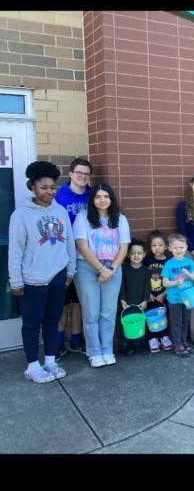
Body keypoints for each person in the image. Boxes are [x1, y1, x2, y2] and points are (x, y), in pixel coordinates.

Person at [8, 160, 76, 383]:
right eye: (43, 187)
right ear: (33, 187)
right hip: (33, 278)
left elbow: (69, 243)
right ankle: (32, 366)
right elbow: (15, 250)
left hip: (58, 275)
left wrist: (70, 271)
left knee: (52, 320)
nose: (49, 191)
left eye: (52, 187)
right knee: (31, 323)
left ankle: (50, 361)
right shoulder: (21, 214)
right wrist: (15, 280)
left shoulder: (60, 211)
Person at [73, 182, 131, 367]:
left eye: (106, 196)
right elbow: (82, 246)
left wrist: (111, 269)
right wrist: (101, 269)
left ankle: (107, 350)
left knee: (108, 312)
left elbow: (124, 248)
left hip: (113, 268)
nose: (102, 200)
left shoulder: (120, 219)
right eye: (98, 197)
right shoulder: (82, 218)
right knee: (91, 313)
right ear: (92, 200)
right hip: (87, 267)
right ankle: (94, 352)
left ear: (111, 198)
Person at [54, 156, 93, 357]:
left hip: (86, 256)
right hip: (63, 255)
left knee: (79, 301)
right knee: (61, 302)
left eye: (86, 174)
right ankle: (59, 341)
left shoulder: (92, 195)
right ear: (70, 173)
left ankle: (76, 340)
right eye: (79, 173)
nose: (82, 176)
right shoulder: (59, 195)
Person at [161, 233, 194, 356]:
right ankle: (177, 344)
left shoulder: (189, 262)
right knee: (177, 323)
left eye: (181, 247)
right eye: (175, 247)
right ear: (170, 248)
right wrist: (176, 282)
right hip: (174, 299)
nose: (178, 250)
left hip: (188, 298)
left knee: (185, 321)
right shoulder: (169, 264)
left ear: (186, 247)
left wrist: (187, 273)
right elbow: (165, 283)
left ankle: (184, 341)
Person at [143, 230, 174, 352]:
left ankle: (164, 337)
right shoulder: (147, 261)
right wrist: (148, 293)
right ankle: (152, 339)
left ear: (166, 247)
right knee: (151, 317)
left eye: (160, 245)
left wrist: (164, 293)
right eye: (154, 245)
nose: (157, 248)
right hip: (151, 296)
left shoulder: (169, 261)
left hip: (164, 294)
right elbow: (143, 279)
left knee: (163, 316)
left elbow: (172, 279)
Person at [119, 238, 150, 355]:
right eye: (133, 253)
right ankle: (126, 347)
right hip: (127, 304)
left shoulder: (146, 271)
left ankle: (140, 346)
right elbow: (122, 286)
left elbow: (147, 287)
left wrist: (145, 300)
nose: (136, 256)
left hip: (141, 303)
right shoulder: (124, 270)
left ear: (144, 254)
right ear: (128, 254)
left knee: (140, 324)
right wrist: (122, 299)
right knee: (127, 325)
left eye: (139, 253)